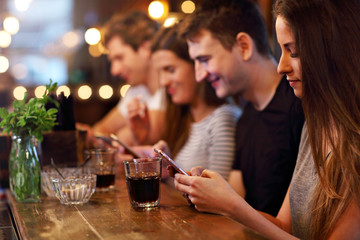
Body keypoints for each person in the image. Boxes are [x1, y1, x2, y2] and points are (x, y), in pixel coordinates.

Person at [174, 0, 360, 239]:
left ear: (331, 48)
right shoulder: (316, 124)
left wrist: (231, 205)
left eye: (294, 51)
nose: (281, 66)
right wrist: (217, 199)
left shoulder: (344, 135)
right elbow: (283, 226)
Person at [175, 0, 304, 216]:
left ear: (244, 46)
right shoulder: (246, 117)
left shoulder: (301, 106)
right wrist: (203, 189)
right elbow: (237, 200)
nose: (199, 75)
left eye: (205, 60)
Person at [122, 24, 241, 179]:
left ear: (196, 65)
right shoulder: (184, 117)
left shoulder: (222, 118)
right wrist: (164, 167)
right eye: (160, 72)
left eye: (170, 70)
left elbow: (219, 197)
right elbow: (182, 192)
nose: (163, 82)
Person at [77, 11, 165, 146]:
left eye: (119, 58)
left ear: (145, 49)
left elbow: (134, 139)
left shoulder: (169, 88)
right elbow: (101, 130)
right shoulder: (137, 90)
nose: (114, 70)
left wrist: (110, 139)